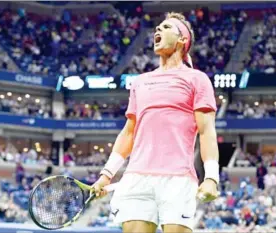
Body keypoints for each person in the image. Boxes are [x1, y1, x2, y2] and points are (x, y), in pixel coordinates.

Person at [92, 12, 219, 233]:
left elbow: (206, 131)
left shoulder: (197, 79)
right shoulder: (140, 82)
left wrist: (211, 178)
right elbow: (128, 133)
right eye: (157, 28)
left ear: (182, 40)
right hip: (136, 178)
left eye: (166, 27)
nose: (158, 31)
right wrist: (106, 175)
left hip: (178, 179)